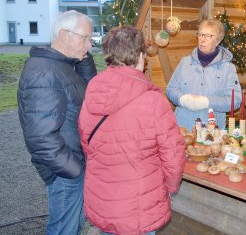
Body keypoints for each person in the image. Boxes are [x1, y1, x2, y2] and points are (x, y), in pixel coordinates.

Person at [78, 26, 186, 235]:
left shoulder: (93, 90)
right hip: (138, 203)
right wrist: (170, 187)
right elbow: (173, 154)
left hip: (102, 196)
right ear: (140, 56)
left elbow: (86, 142)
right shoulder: (153, 100)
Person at [17, 10, 97, 235]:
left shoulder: (64, 66)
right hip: (66, 172)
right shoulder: (43, 72)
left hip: (74, 165)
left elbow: (91, 93)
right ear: (63, 34)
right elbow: (41, 137)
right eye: (85, 38)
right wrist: (74, 170)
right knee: (64, 229)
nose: (90, 45)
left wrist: (83, 58)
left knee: (74, 226)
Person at [166, 19, 242, 131]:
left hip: (212, 132)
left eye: (208, 36)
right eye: (200, 34)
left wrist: (207, 102)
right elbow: (171, 89)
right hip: (183, 129)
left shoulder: (228, 68)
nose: (202, 39)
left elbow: (235, 100)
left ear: (218, 40)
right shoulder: (185, 63)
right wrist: (183, 99)